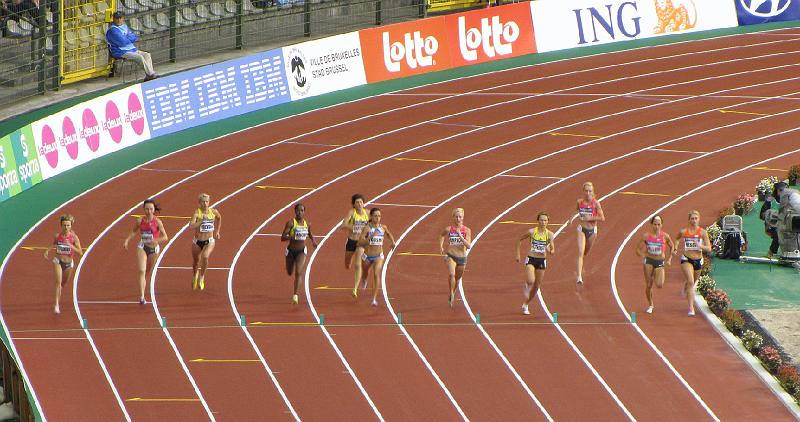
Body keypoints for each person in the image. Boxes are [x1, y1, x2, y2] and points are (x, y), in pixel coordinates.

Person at [124, 199, 168, 304]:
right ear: (144, 209)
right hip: (142, 247)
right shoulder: (140, 221)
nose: (149, 211)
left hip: (154, 249)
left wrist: (155, 240)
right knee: (141, 271)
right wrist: (127, 240)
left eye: (151, 209)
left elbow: (165, 237)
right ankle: (142, 297)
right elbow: (134, 231)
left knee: (147, 272)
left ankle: (143, 281)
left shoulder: (157, 222)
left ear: (154, 210)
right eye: (147, 209)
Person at [516, 211, 554, 315]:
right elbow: (519, 239)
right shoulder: (532, 232)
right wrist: (518, 254)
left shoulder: (550, 234)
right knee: (531, 280)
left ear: (548, 222)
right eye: (541, 220)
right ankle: (527, 285)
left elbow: (552, 249)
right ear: (538, 221)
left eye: (545, 220)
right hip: (531, 258)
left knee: (537, 286)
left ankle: (526, 304)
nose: (543, 222)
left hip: (542, 261)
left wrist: (550, 251)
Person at [44, 214, 83, 314]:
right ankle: (56, 304)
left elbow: (80, 252)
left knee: (63, 284)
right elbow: (54, 243)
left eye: (68, 225)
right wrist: (47, 250)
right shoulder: (58, 236)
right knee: (58, 282)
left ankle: (58, 294)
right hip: (58, 261)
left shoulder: (74, 238)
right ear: (61, 225)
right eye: (64, 225)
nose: (66, 227)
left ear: (71, 226)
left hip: (69, 263)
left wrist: (70, 245)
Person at [635, 215, 675, 314]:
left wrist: (670, 257)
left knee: (659, 284)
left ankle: (657, 272)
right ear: (651, 225)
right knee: (648, 284)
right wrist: (643, 255)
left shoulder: (665, 236)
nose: (656, 226)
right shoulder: (646, 236)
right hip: (649, 261)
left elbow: (672, 245)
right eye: (655, 224)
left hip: (659, 261)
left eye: (658, 224)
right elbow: (637, 250)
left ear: (661, 225)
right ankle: (650, 304)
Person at [675, 210, 711, 316]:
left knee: (692, 282)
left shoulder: (703, 232)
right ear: (689, 220)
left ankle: (686, 286)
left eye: (696, 218)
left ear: (698, 219)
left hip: (698, 260)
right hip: (686, 259)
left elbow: (709, 248)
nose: (694, 220)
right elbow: (677, 239)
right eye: (692, 218)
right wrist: (676, 247)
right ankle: (691, 308)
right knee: (691, 282)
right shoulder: (683, 231)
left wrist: (701, 246)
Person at [357, 208, 395, 306]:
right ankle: (364, 279)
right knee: (365, 272)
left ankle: (373, 298)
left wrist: (393, 242)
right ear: (371, 217)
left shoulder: (383, 227)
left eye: (379, 216)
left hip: (379, 256)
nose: (378, 218)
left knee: (376, 274)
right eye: (375, 216)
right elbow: (360, 241)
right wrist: (369, 238)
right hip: (367, 256)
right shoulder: (367, 228)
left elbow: (389, 234)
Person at [281, 203, 317, 305]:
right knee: (289, 272)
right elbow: (282, 237)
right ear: (295, 211)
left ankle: (295, 295)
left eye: (302, 210)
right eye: (298, 210)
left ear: (304, 212)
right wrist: (291, 237)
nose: (300, 212)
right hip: (291, 251)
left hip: (301, 251)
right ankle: (289, 265)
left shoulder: (307, 224)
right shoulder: (290, 223)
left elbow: (309, 233)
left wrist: (313, 241)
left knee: (299, 272)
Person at [106, 11, 158, 81]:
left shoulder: (125, 27)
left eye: (120, 18)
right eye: (117, 18)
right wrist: (127, 37)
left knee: (147, 55)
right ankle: (150, 74)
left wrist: (125, 37)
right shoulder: (112, 30)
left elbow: (134, 37)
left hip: (132, 49)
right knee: (139, 57)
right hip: (121, 52)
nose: (118, 20)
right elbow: (122, 42)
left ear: (123, 18)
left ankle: (149, 74)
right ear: (113, 19)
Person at [439, 208, 472, 307]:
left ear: (463, 218)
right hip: (451, 255)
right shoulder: (448, 229)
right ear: (453, 217)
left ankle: (452, 291)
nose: (458, 219)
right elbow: (441, 235)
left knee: (457, 278)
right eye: (456, 217)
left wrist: (460, 236)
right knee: (452, 274)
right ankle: (451, 293)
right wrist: (440, 246)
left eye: (460, 217)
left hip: (461, 258)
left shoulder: (467, 230)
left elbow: (469, 246)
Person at [189, 193, 221, 291]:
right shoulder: (197, 213)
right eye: (203, 202)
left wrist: (217, 231)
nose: (205, 203)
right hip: (197, 241)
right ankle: (195, 275)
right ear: (199, 203)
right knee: (196, 262)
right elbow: (191, 226)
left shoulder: (213, 212)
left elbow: (219, 218)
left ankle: (202, 277)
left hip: (209, 240)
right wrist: (201, 221)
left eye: (207, 201)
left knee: (205, 256)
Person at [575, 182, 605, 284]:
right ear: (583, 191)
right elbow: (576, 211)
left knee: (585, 253)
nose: (588, 193)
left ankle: (581, 264)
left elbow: (602, 218)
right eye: (586, 191)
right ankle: (579, 276)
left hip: (592, 231)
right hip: (581, 229)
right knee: (580, 252)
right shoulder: (579, 202)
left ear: (593, 192)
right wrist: (570, 220)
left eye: (590, 191)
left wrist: (590, 218)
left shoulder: (596, 203)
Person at [341, 194, 369, 298]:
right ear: (354, 204)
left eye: (361, 202)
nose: (359, 204)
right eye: (357, 202)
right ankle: (350, 261)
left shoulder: (368, 213)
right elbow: (343, 225)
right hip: (351, 241)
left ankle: (355, 289)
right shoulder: (352, 213)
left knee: (358, 265)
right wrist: (353, 227)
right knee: (347, 265)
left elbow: (374, 225)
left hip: (361, 243)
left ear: (363, 203)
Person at [760, 182, 787, 259]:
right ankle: (771, 252)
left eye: (785, 190)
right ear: (776, 191)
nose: (783, 192)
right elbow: (761, 215)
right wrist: (770, 215)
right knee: (779, 233)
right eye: (780, 190)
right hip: (771, 225)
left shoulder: (790, 200)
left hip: (785, 224)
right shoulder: (770, 201)